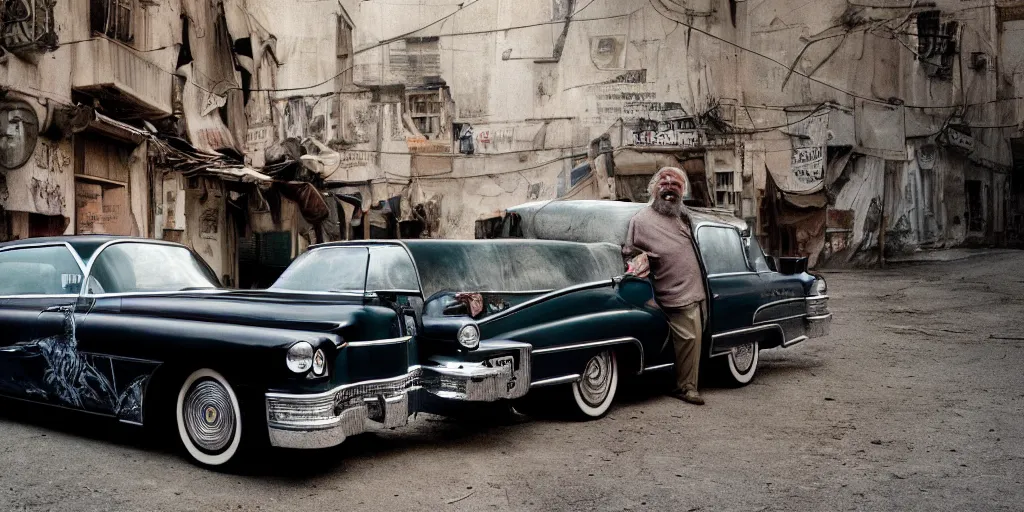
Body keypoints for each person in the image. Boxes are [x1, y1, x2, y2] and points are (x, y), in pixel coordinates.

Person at [622, 166, 707, 405]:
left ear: (683, 191)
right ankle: (686, 388)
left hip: (695, 289)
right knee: (688, 339)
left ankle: (687, 381)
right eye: (664, 183)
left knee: (695, 342)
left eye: (676, 185)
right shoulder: (641, 220)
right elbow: (629, 254)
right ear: (653, 188)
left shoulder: (685, 216)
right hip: (665, 293)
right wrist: (640, 261)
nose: (669, 189)